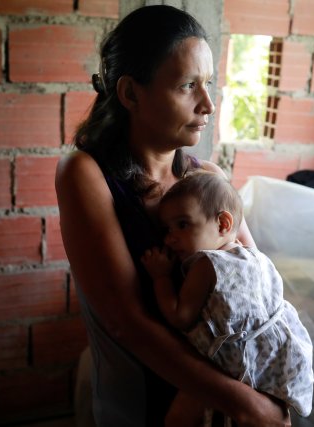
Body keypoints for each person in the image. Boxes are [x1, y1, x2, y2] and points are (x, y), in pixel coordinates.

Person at [55, 4, 291, 427]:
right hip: (142, 407)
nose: (208, 104)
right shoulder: (86, 175)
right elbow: (129, 323)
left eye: (209, 85)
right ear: (130, 94)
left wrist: (269, 391)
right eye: (187, 86)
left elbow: (259, 287)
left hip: (228, 400)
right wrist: (244, 403)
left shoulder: (207, 179)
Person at [141, 171, 314, 427]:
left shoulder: (206, 264)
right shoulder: (255, 256)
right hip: (270, 363)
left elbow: (180, 317)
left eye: (183, 224)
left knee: (177, 420)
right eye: (167, 229)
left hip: (227, 365)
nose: (169, 238)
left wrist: (161, 278)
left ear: (223, 224)